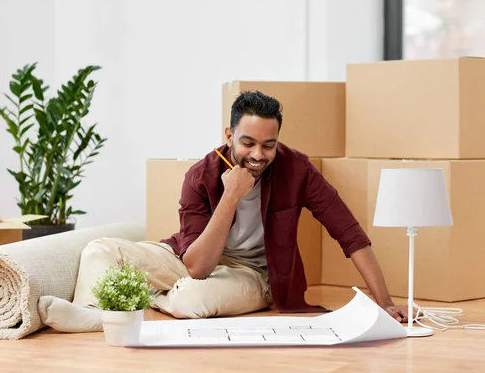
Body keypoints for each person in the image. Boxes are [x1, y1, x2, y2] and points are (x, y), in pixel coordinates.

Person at [38, 90, 409, 332]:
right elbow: (197, 265)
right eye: (248, 142)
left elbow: (349, 233)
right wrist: (231, 195)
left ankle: (148, 300)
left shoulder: (297, 169)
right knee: (100, 249)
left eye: (269, 145)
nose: (259, 155)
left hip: (254, 276)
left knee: (190, 299)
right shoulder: (201, 175)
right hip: (190, 257)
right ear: (229, 136)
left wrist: (386, 303)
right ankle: (91, 314)